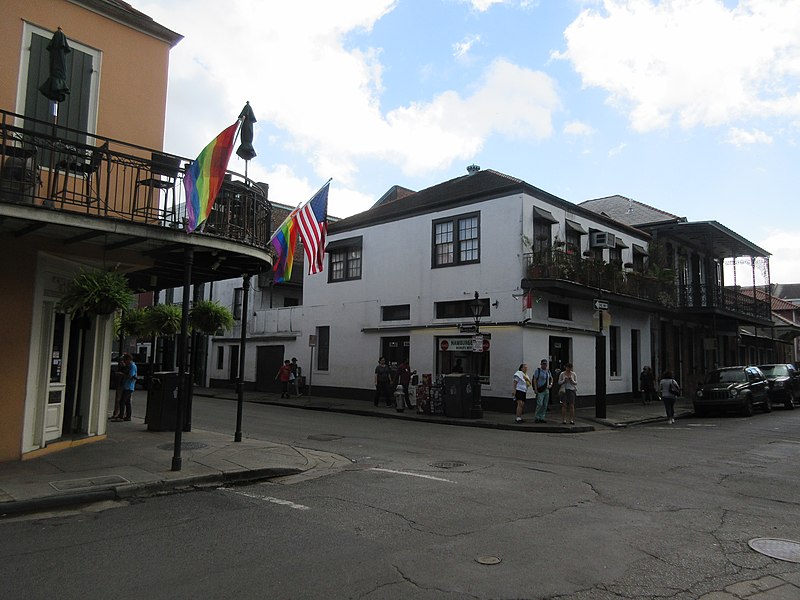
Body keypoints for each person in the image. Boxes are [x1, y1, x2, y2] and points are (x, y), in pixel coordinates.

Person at [112, 353, 137, 422]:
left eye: (125, 360)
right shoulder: (129, 366)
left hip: (128, 386)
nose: (124, 362)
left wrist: (121, 374)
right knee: (127, 402)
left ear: (128, 359)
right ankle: (128, 416)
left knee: (122, 401)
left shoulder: (132, 366)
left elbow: (130, 376)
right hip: (127, 386)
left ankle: (121, 416)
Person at [532, 359, 553, 423]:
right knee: (540, 404)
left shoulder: (548, 371)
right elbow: (535, 380)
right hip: (540, 389)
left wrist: (550, 384)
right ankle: (537, 417)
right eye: (543, 364)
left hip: (546, 389)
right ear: (541, 364)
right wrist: (535, 389)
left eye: (546, 364)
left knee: (545, 404)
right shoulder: (538, 371)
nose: (545, 365)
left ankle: (542, 417)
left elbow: (551, 378)